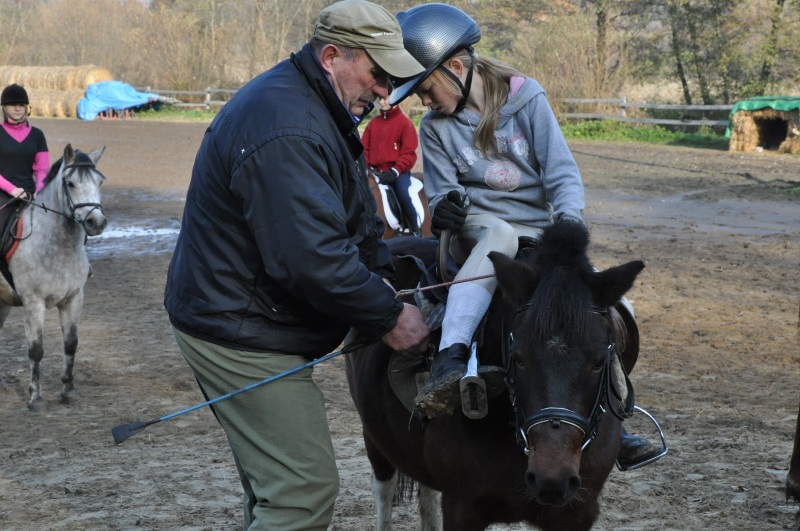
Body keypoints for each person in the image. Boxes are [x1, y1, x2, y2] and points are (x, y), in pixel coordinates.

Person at [163, 1, 429, 529]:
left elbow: (347, 215)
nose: (384, 91)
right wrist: (387, 313)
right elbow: (310, 258)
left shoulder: (312, 103)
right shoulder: (290, 127)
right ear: (332, 56)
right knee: (300, 491)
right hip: (241, 329)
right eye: (378, 74)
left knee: (273, 489)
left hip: (244, 313)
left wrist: (379, 271)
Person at [388, 2, 660, 469]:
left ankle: (619, 415)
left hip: (539, 235)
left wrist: (569, 224)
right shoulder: (433, 128)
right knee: (496, 231)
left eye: (427, 88)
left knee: (606, 307)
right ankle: (451, 355)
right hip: (476, 234)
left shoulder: (528, 99)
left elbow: (561, 175)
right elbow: (440, 192)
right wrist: (445, 204)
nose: (424, 101)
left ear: (456, 68)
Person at [362, 95, 421, 235]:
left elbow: (409, 153)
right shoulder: (372, 124)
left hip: (397, 172)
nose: (382, 102)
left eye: (386, 99)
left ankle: (414, 229)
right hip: (375, 171)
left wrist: (394, 171)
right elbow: (363, 149)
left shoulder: (405, 124)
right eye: (380, 99)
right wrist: (365, 168)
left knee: (402, 193)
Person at [0, 84, 49, 235]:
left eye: (21, 105)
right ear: (4, 108)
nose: (17, 108)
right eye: (13, 105)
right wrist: (12, 189)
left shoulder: (37, 135)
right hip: (3, 195)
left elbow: (42, 168)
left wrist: (39, 190)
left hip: (30, 194)